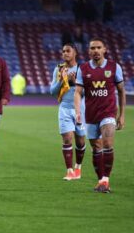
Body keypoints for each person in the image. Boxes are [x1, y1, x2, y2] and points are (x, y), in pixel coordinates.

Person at [74, 37, 126, 193]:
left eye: (98, 48)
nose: (95, 51)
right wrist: (77, 111)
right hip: (90, 114)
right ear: (88, 51)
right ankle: (100, 181)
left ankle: (106, 180)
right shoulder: (83, 69)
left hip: (108, 111)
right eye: (92, 48)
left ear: (104, 50)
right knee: (96, 148)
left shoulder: (114, 67)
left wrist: (122, 115)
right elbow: (77, 92)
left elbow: (121, 91)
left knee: (108, 143)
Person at [50, 43, 86, 181]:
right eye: (63, 51)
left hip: (80, 109)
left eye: (68, 51)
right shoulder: (58, 70)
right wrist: (61, 80)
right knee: (67, 139)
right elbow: (52, 91)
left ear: (75, 52)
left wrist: (74, 81)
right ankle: (69, 171)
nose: (65, 53)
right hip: (64, 108)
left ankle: (78, 167)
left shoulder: (82, 69)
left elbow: (87, 91)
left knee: (81, 141)